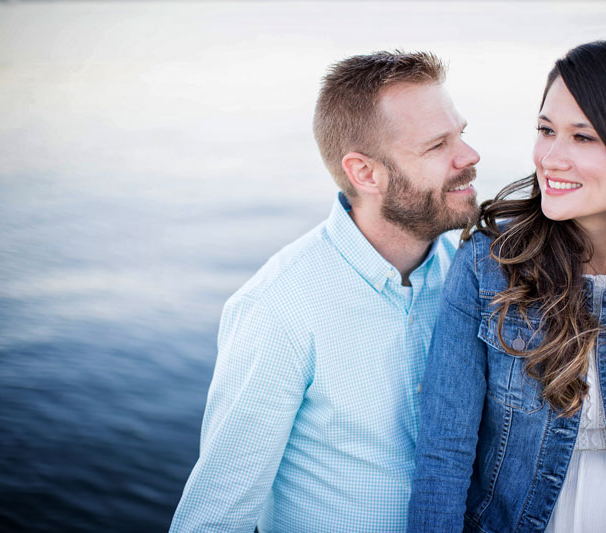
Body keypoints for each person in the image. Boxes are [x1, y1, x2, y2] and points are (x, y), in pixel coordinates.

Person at [407, 40, 606, 533]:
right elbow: (444, 455)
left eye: (583, 138)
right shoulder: (488, 263)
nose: (550, 158)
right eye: (546, 131)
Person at [169, 50, 479, 532]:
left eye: (461, 133)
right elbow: (216, 517)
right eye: (438, 145)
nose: (469, 156)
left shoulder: (474, 275)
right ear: (365, 173)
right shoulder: (279, 307)